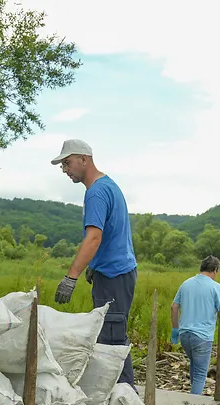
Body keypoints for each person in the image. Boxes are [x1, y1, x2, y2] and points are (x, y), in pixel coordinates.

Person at [51, 139, 137, 385]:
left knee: (112, 342)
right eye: (62, 166)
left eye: (67, 163)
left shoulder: (96, 192)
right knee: (112, 336)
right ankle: (122, 398)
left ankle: (126, 400)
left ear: (84, 159)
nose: (65, 170)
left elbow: (94, 237)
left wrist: (71, 277)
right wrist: (94, 265)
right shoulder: (109, 186)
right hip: (115, 272)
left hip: (113, 275)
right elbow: (111, 235)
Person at [170, 256, 220, 395]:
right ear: (215, 270)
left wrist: (175, 328)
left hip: (185, 335)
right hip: (202, 337)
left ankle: (193, 398)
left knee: (195, 365)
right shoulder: (216, 287)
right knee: (200, 374)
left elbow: (174, 307)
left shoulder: (186, 284)